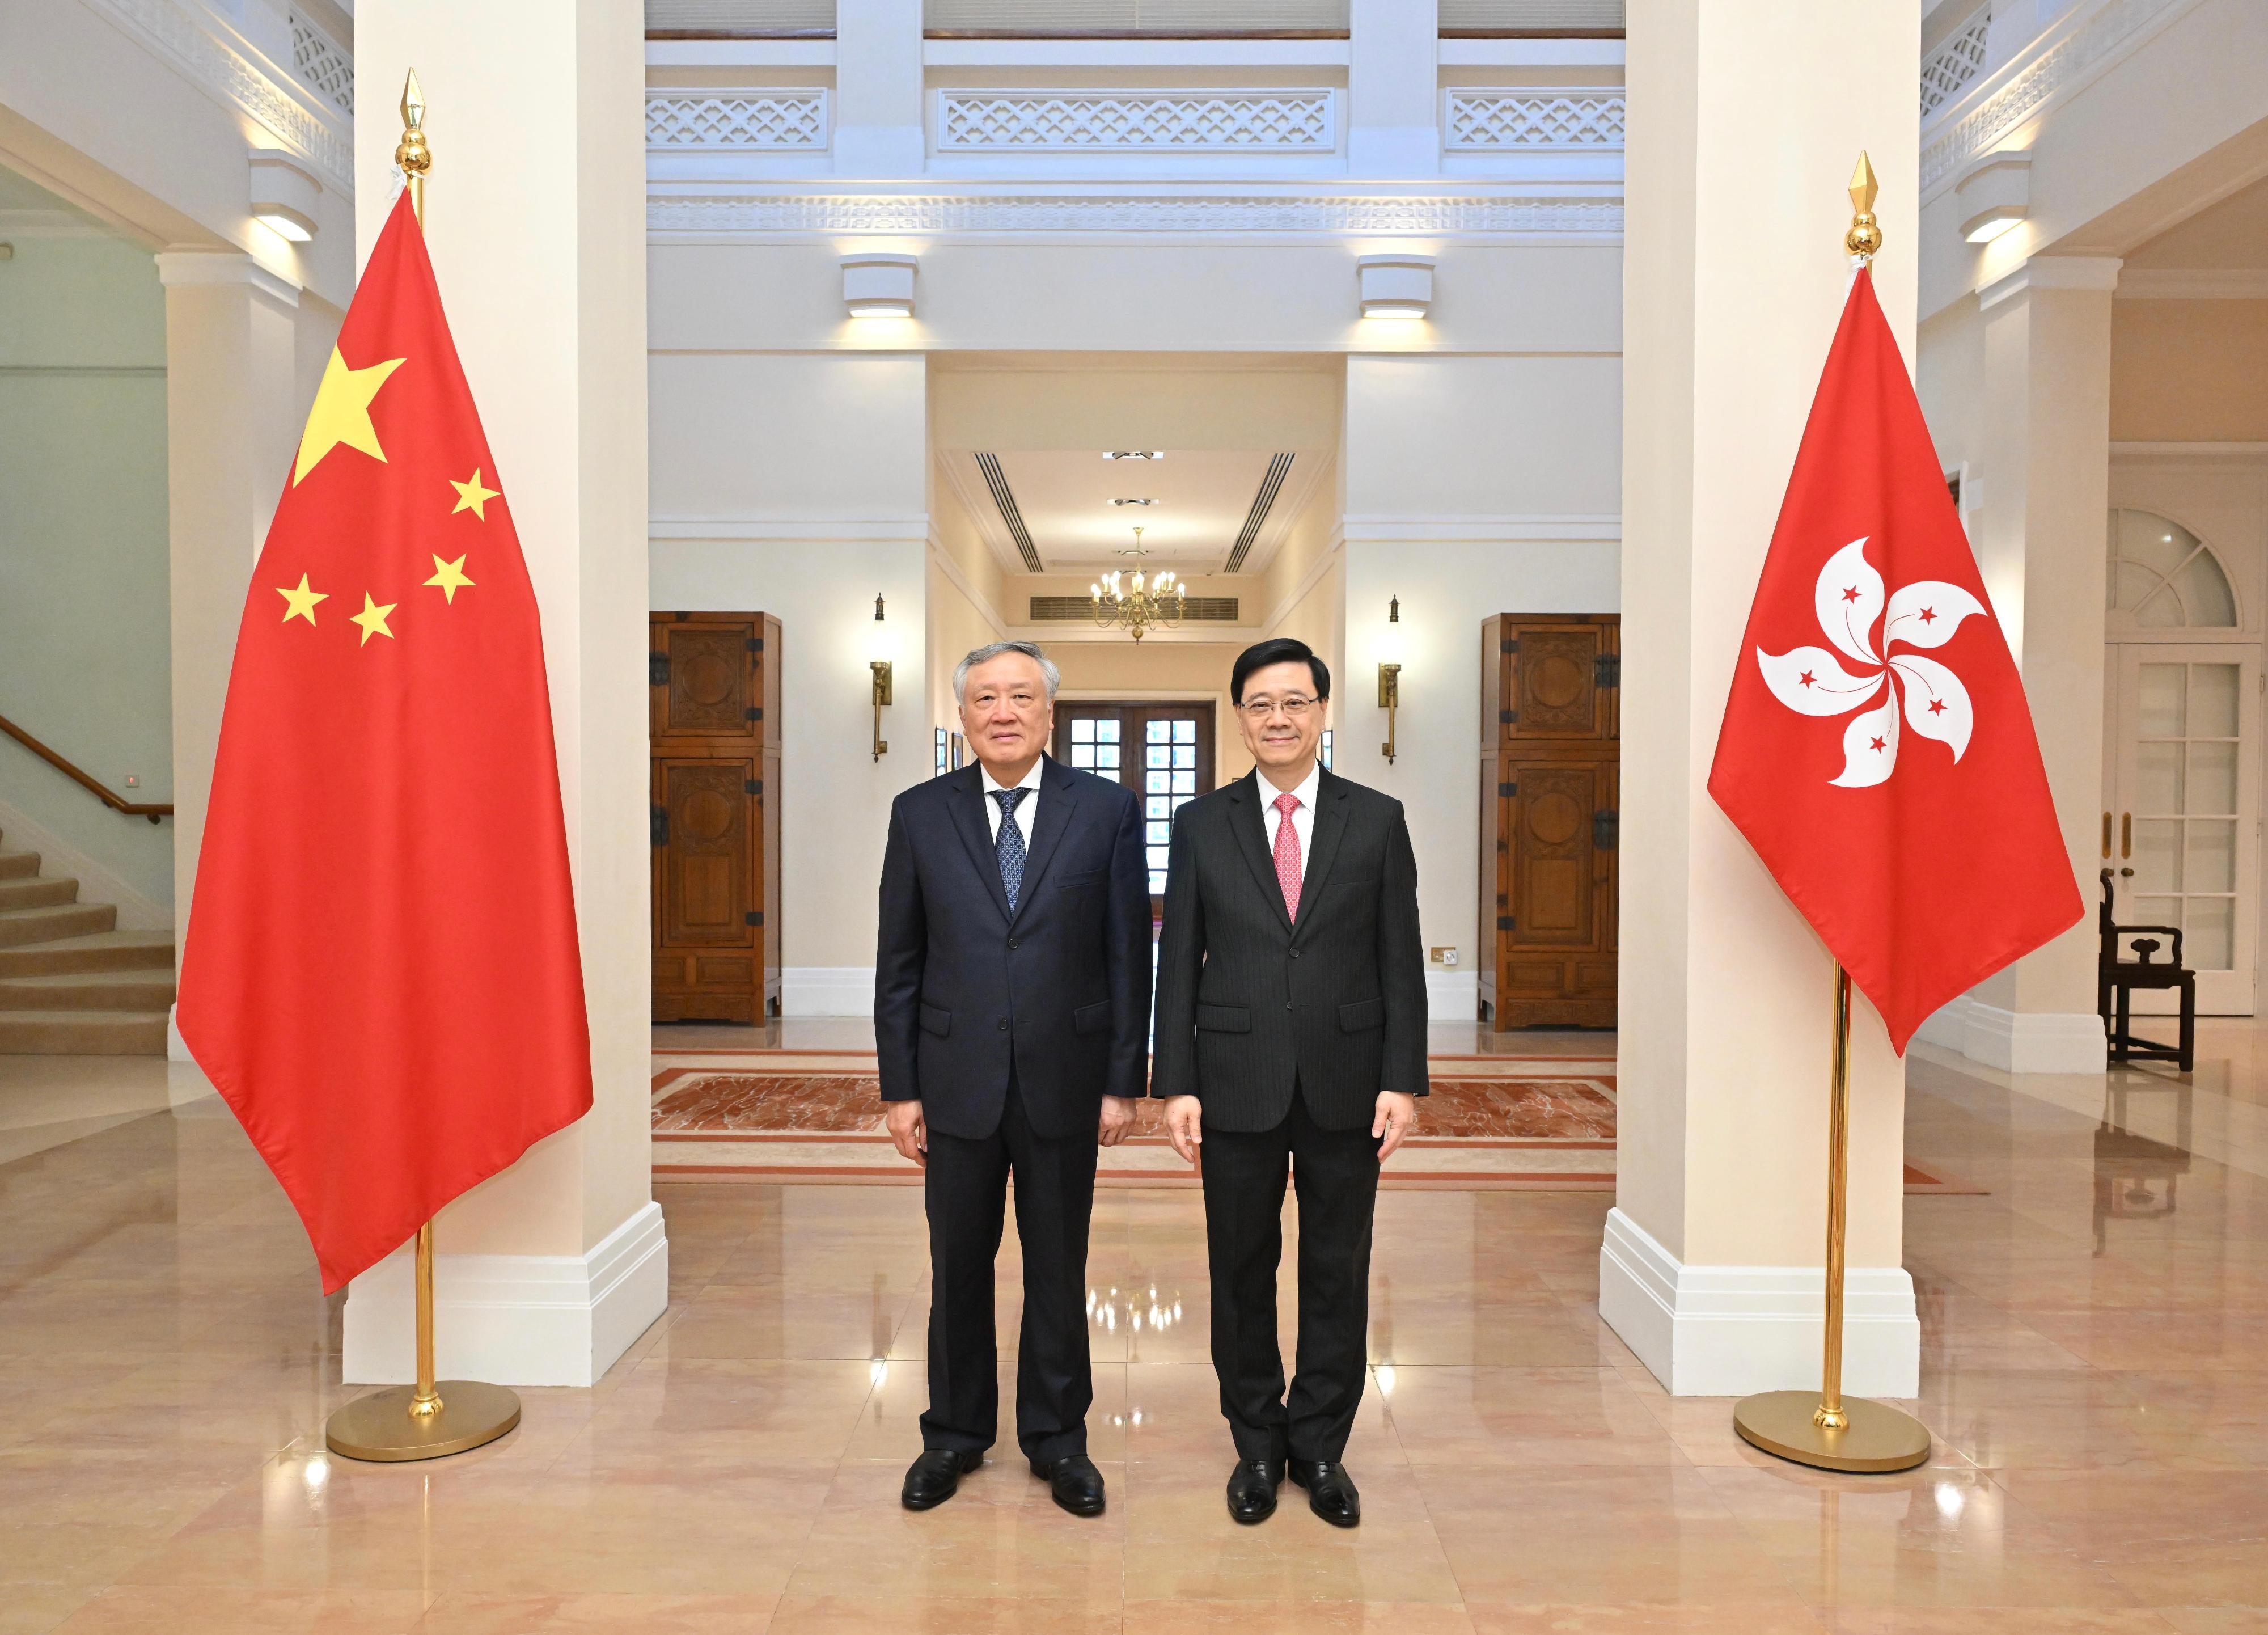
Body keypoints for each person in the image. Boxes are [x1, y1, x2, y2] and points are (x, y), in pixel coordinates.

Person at [1153, 636, 1427, 1528]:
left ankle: (1318, 1447)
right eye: (1261, 704)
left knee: (1336, 1271)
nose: (1279, 718)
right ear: (1241, 717)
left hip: (1351, 1083)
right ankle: (1257, 1447)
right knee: (1241, 1270)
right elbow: (1179, 962)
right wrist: (1176, 1083)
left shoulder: (1376, 818)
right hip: (1233, 1079)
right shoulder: (1201, 823)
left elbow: (1400, 960)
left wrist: (1403, 1079)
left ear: (1322, 711)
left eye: (1295, 702)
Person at [875, 640, 1150, 1517]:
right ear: (962, 716)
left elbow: (1124, 953)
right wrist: (899, 1088)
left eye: (1021, 696)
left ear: (1049, 712)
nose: (1003, 711)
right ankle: (953, 1435)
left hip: (1066, 1079)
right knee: (956, 1265)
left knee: (1058, 1266)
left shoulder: (1105, 810)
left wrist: (1123, 1080)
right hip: (952, 1081)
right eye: (986, 697)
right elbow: (900, 960)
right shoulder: (919, 813)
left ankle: (1058, 1440)